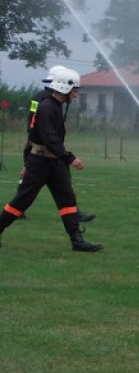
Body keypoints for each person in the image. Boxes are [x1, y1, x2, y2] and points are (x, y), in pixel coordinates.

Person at [0, 66, 102, 252]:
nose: (76, 95)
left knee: (67, 198)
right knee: (22, 201)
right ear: (65, 87)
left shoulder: (55, 106)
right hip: (40, 161)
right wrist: (70, 158)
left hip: (54, 162)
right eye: (75, 90)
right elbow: (49, 138)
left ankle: (77, 240)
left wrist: (62, 159)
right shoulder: (47, 107)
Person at [17, 71, 97, 224]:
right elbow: (32, 118)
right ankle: (19, 209)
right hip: (39, 146)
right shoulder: (42, 99)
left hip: (53, 148)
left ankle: (74, 215)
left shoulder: (57, 102)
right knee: (28, 182)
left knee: (63, 181)